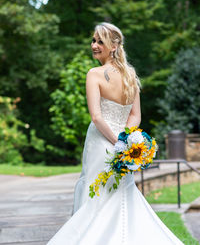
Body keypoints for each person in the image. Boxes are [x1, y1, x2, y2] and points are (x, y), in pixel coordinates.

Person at [47, 22, 184, 245]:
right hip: (124, 144)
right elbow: (135, 117)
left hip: (102, 142)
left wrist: (117, 142)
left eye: (100, 41)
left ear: (114, 45)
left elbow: (97, 117)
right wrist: (126, 140)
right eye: (93, 40)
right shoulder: (130, 75)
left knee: (96, 192)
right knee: (119, 194)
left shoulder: (94, 74)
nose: (94, 45)